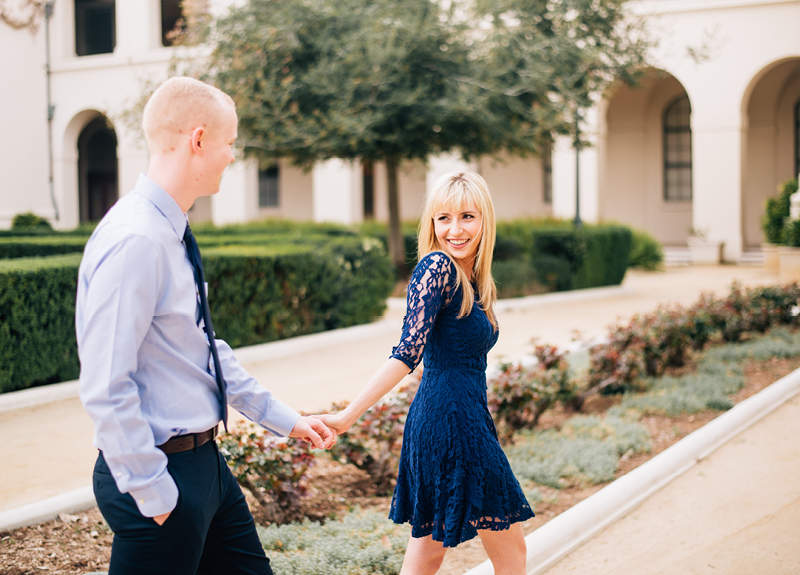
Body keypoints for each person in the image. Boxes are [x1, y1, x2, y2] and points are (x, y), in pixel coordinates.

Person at [75, 76, 335, 575]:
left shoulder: (171, 230)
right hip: (160, 477)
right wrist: (155, 492)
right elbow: (105, 385)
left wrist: (287, 420)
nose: (233, 156)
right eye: (231, 142)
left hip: (207, 468)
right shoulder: (137, 240)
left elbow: (200, 349)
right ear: (198, 140)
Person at [319, 172, 533, 575]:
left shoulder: (471, 279)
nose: (455, 229)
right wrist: (347, 416)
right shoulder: (437, 269)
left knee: (430, 553)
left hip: (457, 418)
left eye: (467, 216)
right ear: (431, 225)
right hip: (451, 422)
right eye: (443, 218)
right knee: (511, 553)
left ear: (485, 219)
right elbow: (406, 352)